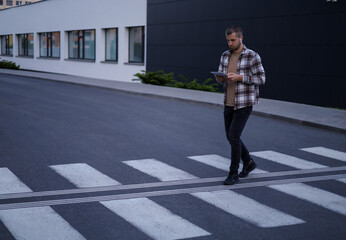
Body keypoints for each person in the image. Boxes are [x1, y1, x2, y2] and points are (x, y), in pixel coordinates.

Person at [215, 26, 266, 185]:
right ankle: (248, 162)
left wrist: (241, 77)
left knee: (234, 136)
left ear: (241, 38)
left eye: (233, 40)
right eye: (228, 40)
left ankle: (233, 173)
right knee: (230, 136)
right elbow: (221, 76)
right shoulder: (224, 55)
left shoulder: (252, 56)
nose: (230, 43)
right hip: (228, 101)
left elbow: (261, 79)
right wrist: (220, 78)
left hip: (244, 102)